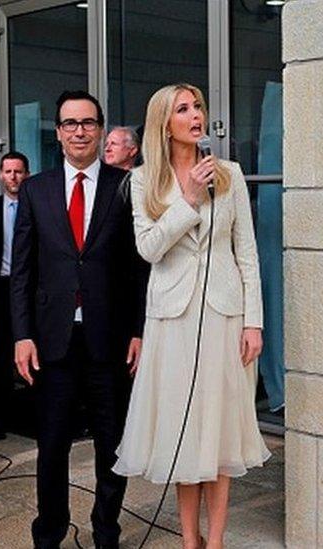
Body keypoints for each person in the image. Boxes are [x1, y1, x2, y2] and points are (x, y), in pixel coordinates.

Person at [112, 83, 269, 549]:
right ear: (165, 122)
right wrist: (190, 200)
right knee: (185, 432)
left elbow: (248, 254)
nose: (195, 114)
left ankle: (215, 541)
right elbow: (149, 248)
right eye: (183, 109)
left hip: (225, 316)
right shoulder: (143, 181)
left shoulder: (231, 174)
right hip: (172, 321)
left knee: (219, 433)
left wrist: (254, 321)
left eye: (197, 106)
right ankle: (188, 539)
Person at [11, 90, 147, 549]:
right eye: (70, 123)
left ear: (101, 128)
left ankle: (106, 530)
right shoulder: (35, 188)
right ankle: (48, 533)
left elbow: (137, 268)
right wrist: (22, 335)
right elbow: (22, 270)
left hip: (109, 339)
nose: (79, 131)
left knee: (113, 447)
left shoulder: (126, 185)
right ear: (59, 131)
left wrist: (139, 330)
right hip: (52, 340)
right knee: (52, 447)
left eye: (88, 123)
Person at [0, 151, 29, 430]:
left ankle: (30, 413)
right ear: (1, 175)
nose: (13, 177)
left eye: (19, 171)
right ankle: (2, 415)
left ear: (27, 174)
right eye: (8, 171)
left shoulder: (37, 205)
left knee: (30, 347)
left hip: (29, 288)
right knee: (0, 350)